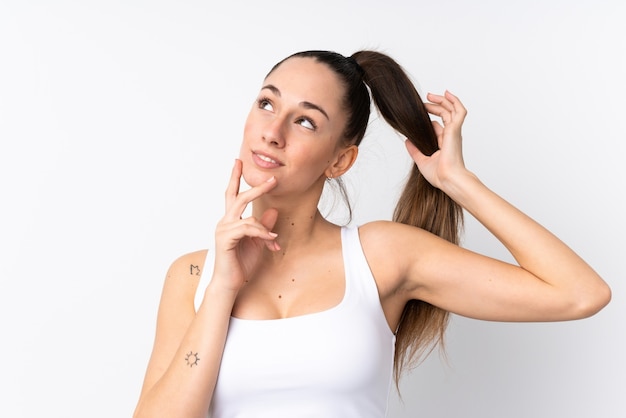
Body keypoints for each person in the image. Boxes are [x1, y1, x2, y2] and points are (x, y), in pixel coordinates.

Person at [132, 50, 611, 418]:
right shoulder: (193, 275)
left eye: (304, 120)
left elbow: (579, 293)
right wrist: (221, 289)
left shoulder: (380, 255)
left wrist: (456, 181)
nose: (272, 131)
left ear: (340, 160)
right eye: (266, 103)